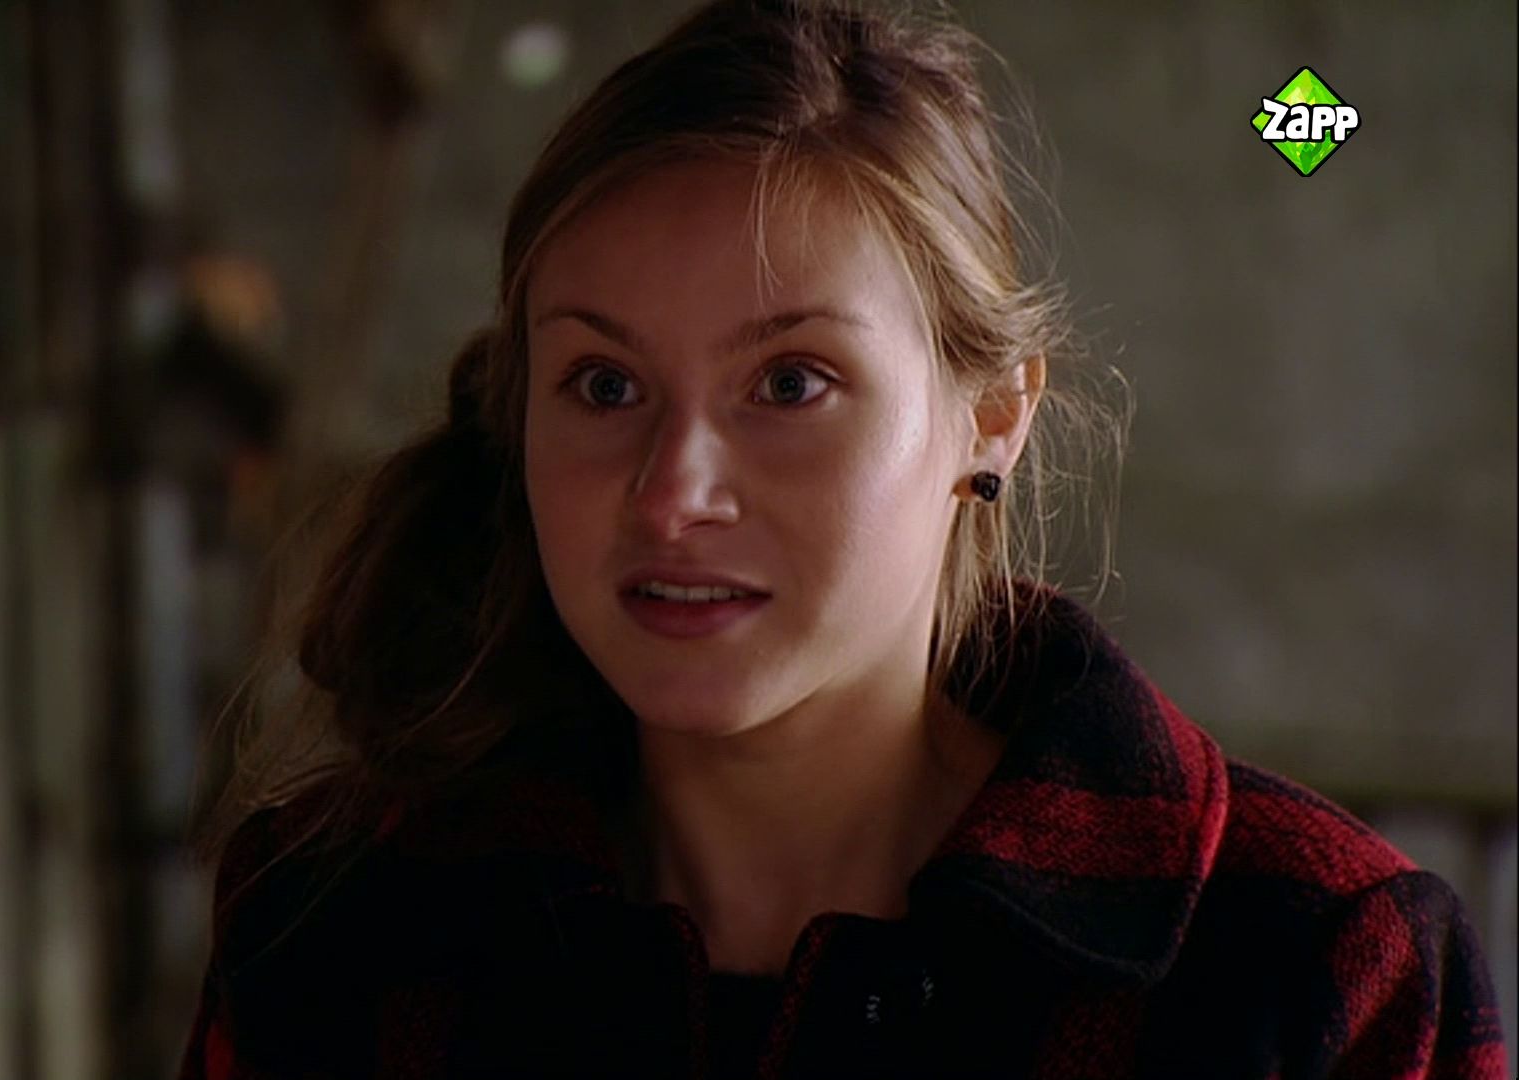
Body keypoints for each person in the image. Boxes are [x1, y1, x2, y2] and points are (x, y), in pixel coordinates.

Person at [178, 1, 1507, 1076]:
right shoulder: (339, 934)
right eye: (604, 384)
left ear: (994, 415)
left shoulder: (1314, 971)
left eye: (791, 382)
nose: (673, 494)